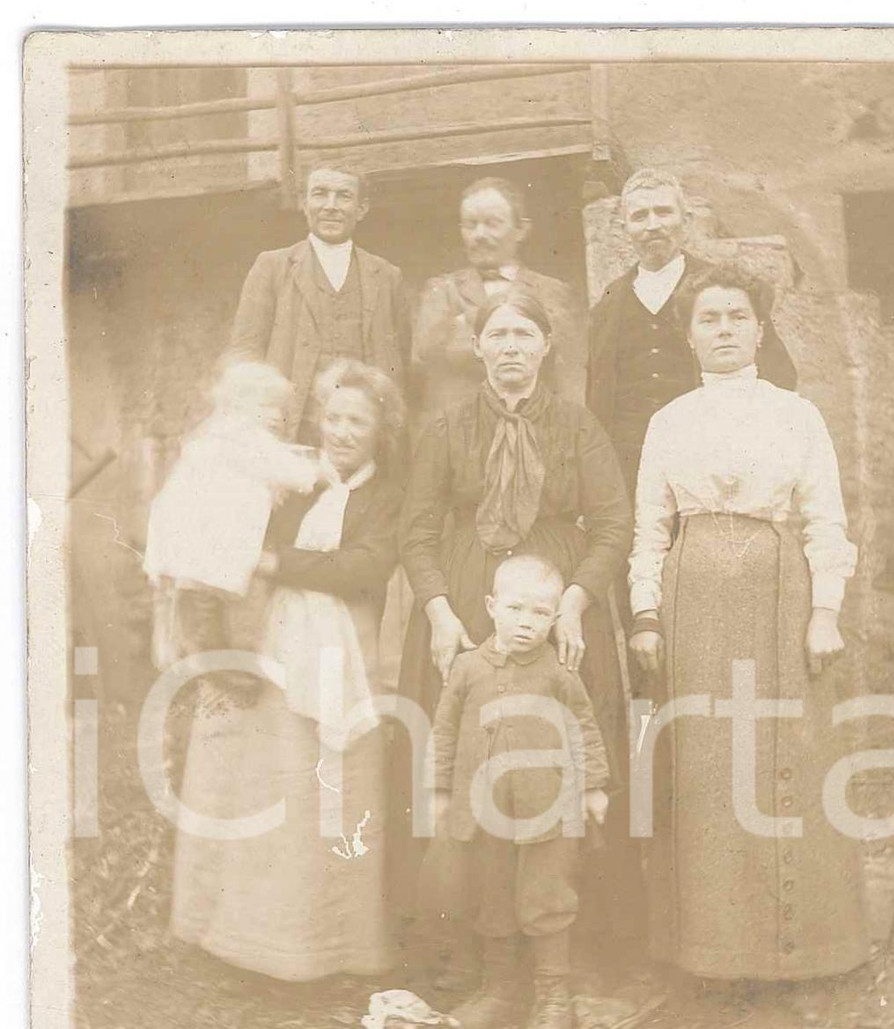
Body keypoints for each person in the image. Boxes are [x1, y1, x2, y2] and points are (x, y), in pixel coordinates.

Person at [628, 264, 869, 982]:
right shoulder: (668, 422)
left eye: (737, 316)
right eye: (710, 318)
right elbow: (650, 530)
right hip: (692, 599)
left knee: (782, 752)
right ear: (690, 335)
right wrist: (646, 614)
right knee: (706, 767)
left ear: (760, 329)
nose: (724, 329)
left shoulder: (796, 414)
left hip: (777, 591)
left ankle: (796, 948)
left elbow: (827, 517)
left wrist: (825, 610)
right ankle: (709, 948)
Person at [397, 289, 636, 977]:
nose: (509, 348)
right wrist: (441, 612)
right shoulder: (445, 430)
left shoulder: (576, 425)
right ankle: (471, 947)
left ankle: (570, 943)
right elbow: (417, 533)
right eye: (497, 335)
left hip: (553, 597)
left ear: (544, 347)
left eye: (523, 335)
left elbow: (614, 524)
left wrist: (574, 601)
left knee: (554, 746)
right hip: (473, 596)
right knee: (469, 750)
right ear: (477, 348)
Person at [170, 358, 406, 981]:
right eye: (333, 417)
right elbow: (232, 531)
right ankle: (242, 938)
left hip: (344, 648)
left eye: (358, 421)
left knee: (329, 784)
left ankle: (328, 948)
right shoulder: (293, 480)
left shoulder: (386, 496)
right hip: (272, 638)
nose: (342, 432)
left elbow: (367, 564)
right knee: (263, 783)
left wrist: (278, 565)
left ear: (381, 431)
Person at [429, 555, 609, 1029]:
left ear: (555, 619)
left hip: (548, 808)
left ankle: (553, 998)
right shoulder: (467, 669)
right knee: (493, 896)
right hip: (483, 808)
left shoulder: (559, 673)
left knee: (546, 897)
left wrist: (594, 787)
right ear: (491, 607)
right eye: (515, 609)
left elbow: (585, 729)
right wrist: (441, 792)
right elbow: (444, 732)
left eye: (540, 613)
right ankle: (499, 989)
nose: (526, 622)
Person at [588, 167, 798, 495]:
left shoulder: (723, 288)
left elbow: (779, 375)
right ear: (624, 228)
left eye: (663, 212)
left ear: (685, 220)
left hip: (710, 462)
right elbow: (598, 396)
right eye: (640, 215)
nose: (652, 224)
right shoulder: (609, 303)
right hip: (632, 470)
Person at [143, 360, 317, 669]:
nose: (278, 416)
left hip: (195, 555)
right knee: (217, 625)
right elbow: (297, 473)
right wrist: (323, 471)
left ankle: (209, 667)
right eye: (267, 406)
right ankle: (221, 673)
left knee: (205, 621)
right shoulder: (243, 436)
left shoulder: (214, 439)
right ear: (236, 406)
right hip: (211, 559)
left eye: (281, 409)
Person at [228, 163, 410, 443]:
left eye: (344, 196)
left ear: (362, 209)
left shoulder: (387, 276)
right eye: (320, 194)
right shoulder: (272, 267)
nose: (331, 206)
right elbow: (245, 353)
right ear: (304, 203)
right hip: (294, 429)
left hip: (362, 433)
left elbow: (400, 361)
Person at [412, 175, 587, 415]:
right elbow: (426, 355)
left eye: (492, 223)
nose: (479, 235)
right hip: (461, 436)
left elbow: (569, 375)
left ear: (521, 229)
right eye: (471, 225)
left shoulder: (552, 292)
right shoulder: (441, 290)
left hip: (533, 431)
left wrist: (466, 329)